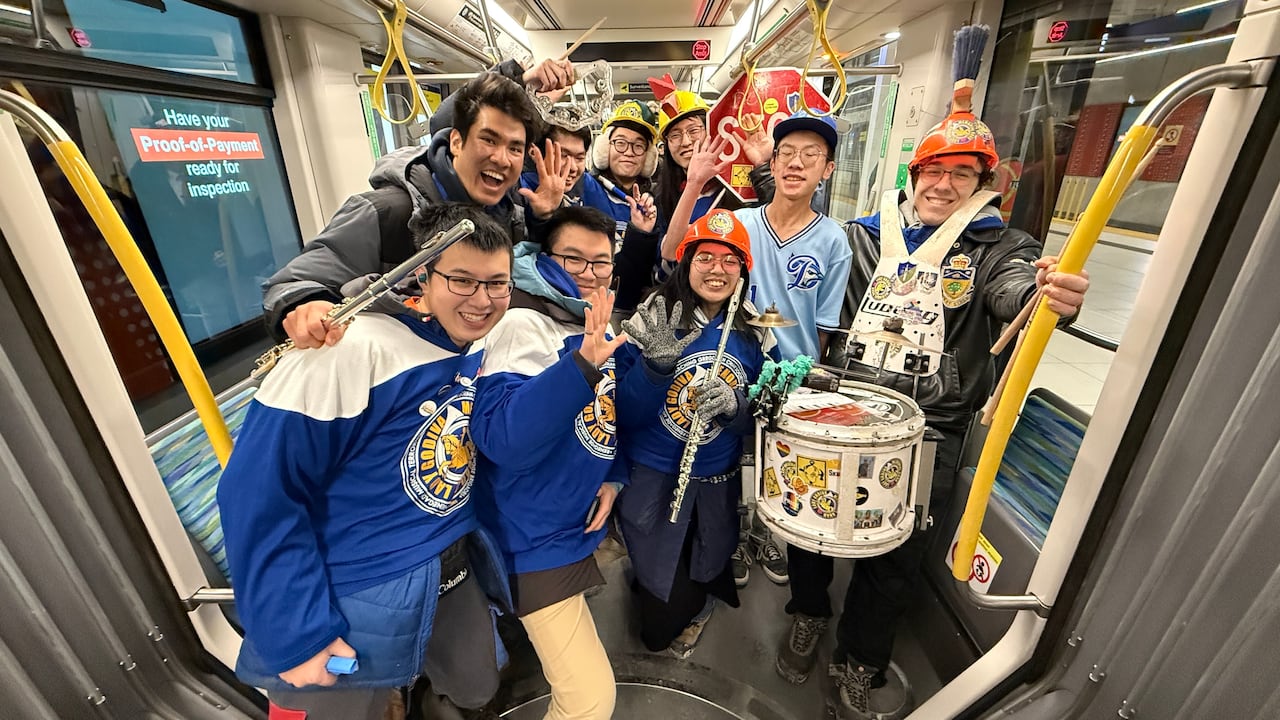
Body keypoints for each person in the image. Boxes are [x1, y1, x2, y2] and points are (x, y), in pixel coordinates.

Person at [774, 35, 1091, 718]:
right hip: (842, 404)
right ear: (913, 175)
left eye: (961, 175)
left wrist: (1045, 297)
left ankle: (860, 659)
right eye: (933, 171)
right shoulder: (862, 235)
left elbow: (1015, 291)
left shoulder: (1000, 249)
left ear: (984, 184)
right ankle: (806, 612)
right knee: (808, 525)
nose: (942, 185)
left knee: (898, 557)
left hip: (931, 425)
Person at [218, 203, 516, 720]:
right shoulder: (346, 350)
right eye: (463, 280)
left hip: (452, 563)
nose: (482, 301)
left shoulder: (475, 344)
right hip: (356, 582)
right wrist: (296, 631)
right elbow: (257, 490)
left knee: (477, 687)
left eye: (498, 284)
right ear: (422, 274)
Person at [264, 59, 574, 348]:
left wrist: (543, 218)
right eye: (489, 140)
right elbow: (294, 282)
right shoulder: (387, 212)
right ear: (456, 141)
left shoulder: (510, 215)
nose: (502, 159)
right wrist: (306, 304)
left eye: (515, 148)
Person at [470, 206, 629, 720]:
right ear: (543, 258)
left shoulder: (581, 320)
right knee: (588, 699)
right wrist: (581, 363)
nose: (588, 272)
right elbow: (506, 441)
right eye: (573, 258)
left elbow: (599, 409)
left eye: (600, 262)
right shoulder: (522, 324)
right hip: (531, 536)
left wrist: (612, 474)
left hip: (568, 523)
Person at [614, 209, 777, 657]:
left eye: (730, 261)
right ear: (686, 263)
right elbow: (622, 414)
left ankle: (696, 599)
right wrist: (654, 369)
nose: (717, 270)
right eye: (706, 257)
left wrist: (736, 407)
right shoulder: (655, 316)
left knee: (707, 561)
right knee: (656, 630)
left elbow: (763, 417)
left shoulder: (756, 330)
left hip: (715, 482)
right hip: (652, 477)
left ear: (743, 270)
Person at [731, 110, 854, 588]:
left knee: (783, 464)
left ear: (826, 170)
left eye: (811, 155)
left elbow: (822, 328)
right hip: (735, 368)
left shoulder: (833, 240)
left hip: (792, 379)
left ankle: (766, 532)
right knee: (734, 459)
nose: (796, 163)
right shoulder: (740, 224)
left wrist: (806, 378)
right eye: (786, 153)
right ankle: (739, 534)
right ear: (773, 164)